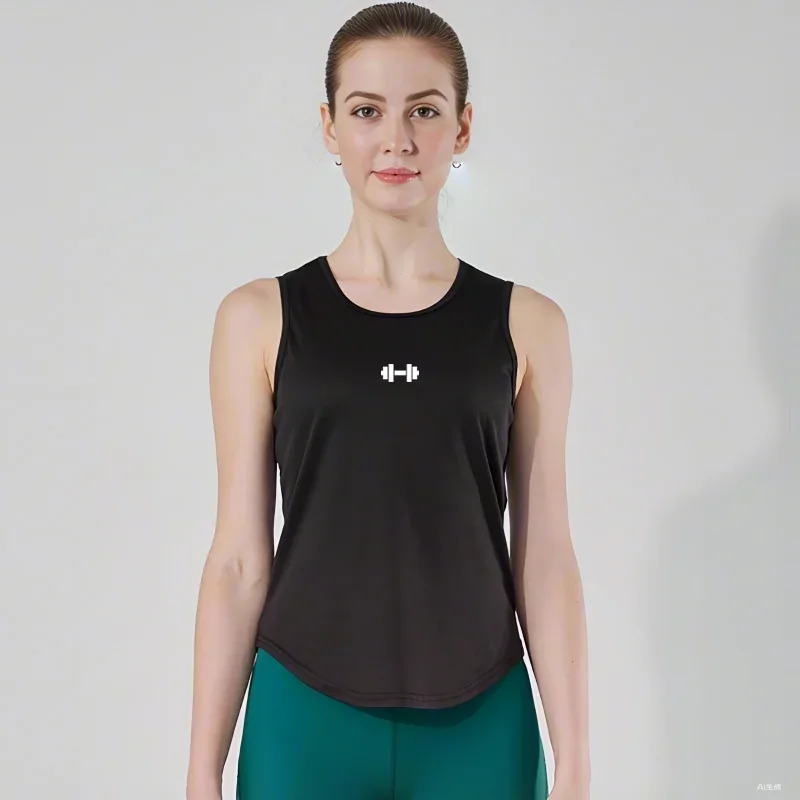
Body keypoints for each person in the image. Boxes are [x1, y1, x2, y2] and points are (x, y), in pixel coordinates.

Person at [186, 3, 590, 799]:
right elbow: (237, 558)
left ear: (462, 128)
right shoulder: (259, 318)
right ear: (331, 127)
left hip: (482, 720)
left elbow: (545, 554)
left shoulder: (528, 324)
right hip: (304, 716)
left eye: (424, 111)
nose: (397, 140)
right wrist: (203, 769)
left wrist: (574, 763)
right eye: (368, 111)